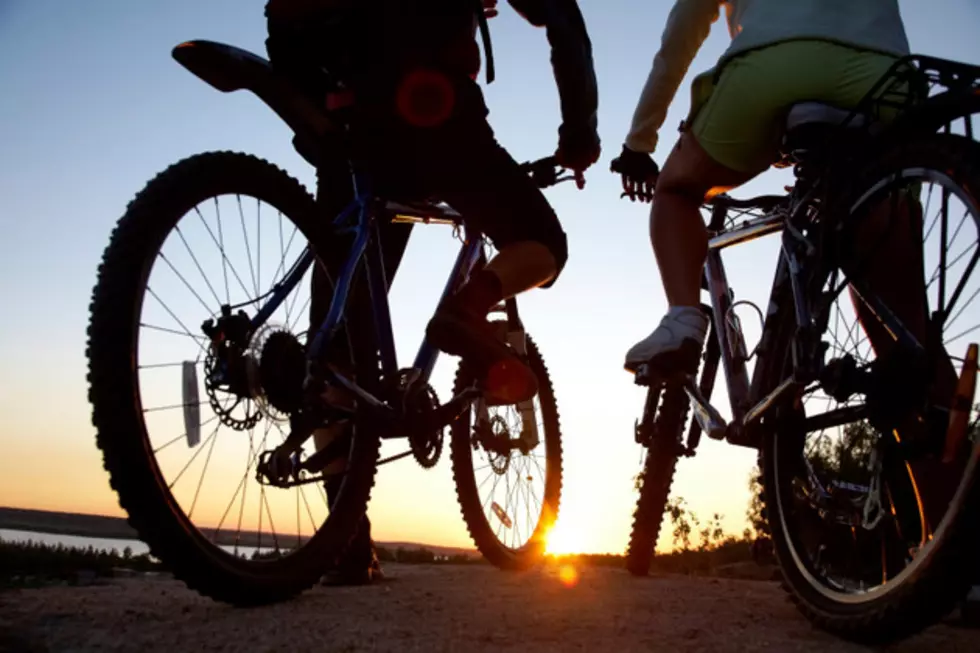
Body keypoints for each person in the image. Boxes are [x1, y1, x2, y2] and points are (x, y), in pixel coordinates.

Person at [264, 0, 600, 584]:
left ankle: (344, 545)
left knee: (337, 346)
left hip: (344, 128)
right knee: (543, 242)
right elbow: (562, 17)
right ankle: (470, 305)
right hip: (434, 117)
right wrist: (579, 133)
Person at [609, 0, 914, 374]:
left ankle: (683, 322)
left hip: (778, 64)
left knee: (676, 190)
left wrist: (639, 142)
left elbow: (682, 32)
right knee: (904, 322)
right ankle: (935, 411)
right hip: (890, 79)